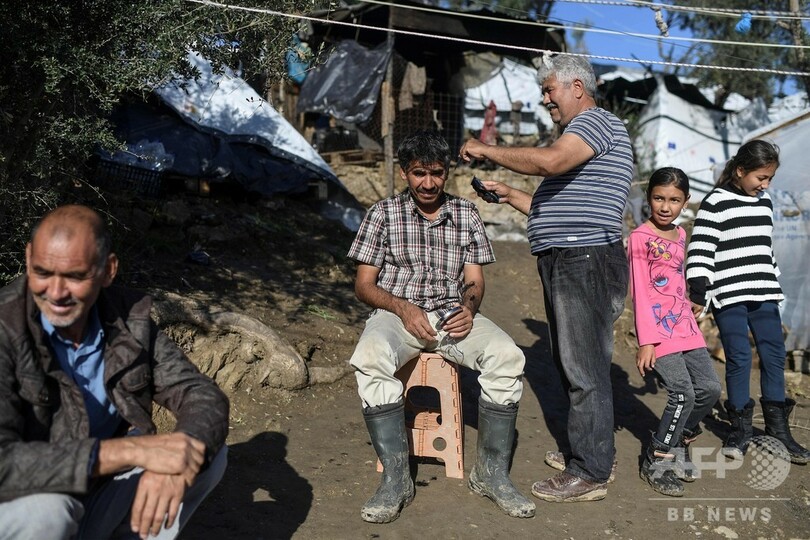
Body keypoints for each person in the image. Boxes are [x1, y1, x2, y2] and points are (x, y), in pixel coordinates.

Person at [459, 54, 633, 502]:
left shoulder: (594, 123)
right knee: (573, 362)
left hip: (584, 258)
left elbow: (551, 163)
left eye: (549, 90)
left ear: (577, 87)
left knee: (582, 366)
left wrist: (486, 148)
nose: (545, 99)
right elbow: (553, 207)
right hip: (571, 256)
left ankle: (591, 470)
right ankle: (590, 450)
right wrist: (510, 194)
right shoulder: (580, 136)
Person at [0, 205, 229, 539]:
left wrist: (174, 459)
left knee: (198, 452)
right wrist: (133, 451)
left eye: (75, 276)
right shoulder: (6, 327)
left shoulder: (126, 319)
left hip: (93, 494)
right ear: (28, 258)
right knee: (46, 512)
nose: (56, 293)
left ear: (108, 270)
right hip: (24, 504)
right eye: (43, 272)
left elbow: (200, 393)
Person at [347, 130, 535, 523]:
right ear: (404, 173)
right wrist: (400, 307)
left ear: (446, 172)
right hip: (397, 316)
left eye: (436, 173)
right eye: (419, 173)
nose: (428, 183)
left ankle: (491, 474)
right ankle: (397, 479)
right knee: (369, 356)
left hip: (451, 315)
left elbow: (475, 281)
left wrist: (468, 307)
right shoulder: (382, 214)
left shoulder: (466, 214)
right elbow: (364, 285)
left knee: (507, 356)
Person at [686, 140, 810, 464]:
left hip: (764, 290)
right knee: (739, 356)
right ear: (740, 171)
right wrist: (699, 293)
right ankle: (740, 428)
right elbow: (701, 250)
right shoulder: (716, 202)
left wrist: (772, 276)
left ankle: (777, 430)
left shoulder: (764, 202)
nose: (765, 185)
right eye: (761, 177)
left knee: (774, 353)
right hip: (729, 293)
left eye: (769, 178)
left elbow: (764, 248)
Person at [627, 168, 722, 496]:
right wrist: (646, 341)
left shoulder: (681, 234)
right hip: (658, 329)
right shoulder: (640, 238)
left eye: (674, 200)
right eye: (658, 198)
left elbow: (676, 277)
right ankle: (657, 460)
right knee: (682, 393)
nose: (665, 206)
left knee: (709, 389)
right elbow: (640, 290)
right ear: (650, 197)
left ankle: (680, 437)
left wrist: (691, 302)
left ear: (685, 202)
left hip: (685, 324)